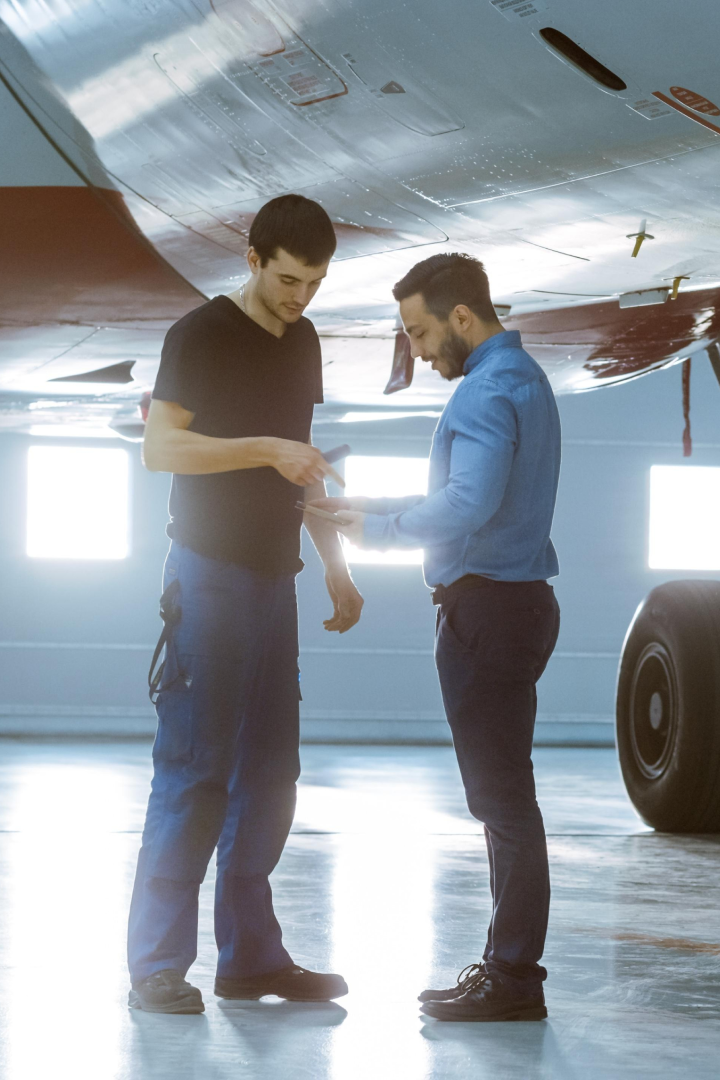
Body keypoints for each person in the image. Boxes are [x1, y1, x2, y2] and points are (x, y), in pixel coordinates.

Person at [126, 194, 364, 1015]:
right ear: (253, 259)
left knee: (272, 775)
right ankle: (157, 964)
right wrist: (263, 448)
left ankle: (251, 958)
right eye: (290, 280)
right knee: (196, 771)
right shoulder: (198, 335)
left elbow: (305, 470)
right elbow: (161, 448)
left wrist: (334, 564)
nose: (302, 298)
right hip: (208, 576)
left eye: (316, 283)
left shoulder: (302, 342)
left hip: (276, 580)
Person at [312, 253, 561, 1022]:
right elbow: (473, 494)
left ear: (461, 318)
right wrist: (368, 508)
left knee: (503, 802)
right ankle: (506, 966)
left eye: (420, 332)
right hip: (514, 603)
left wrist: (381, 529)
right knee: (502, 798)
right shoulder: (524, 380)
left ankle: (514, 977)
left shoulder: (486, 391)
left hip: (486, 611)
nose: (416, 351)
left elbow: (470, 503)